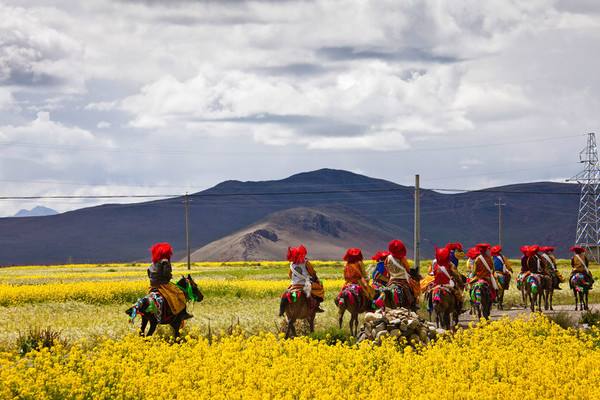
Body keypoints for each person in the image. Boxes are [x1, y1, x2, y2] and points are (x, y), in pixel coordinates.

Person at [147, 242, 192, 320]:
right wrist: (169, 277)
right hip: (163, 284)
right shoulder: (165, 261)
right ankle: (183, 314)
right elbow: (166, 273)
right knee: (179, 293)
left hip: (153, 285)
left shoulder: (153, 262)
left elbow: (148, 272)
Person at [279, 245, 325, 316]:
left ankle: (282, 309)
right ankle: (317, 306)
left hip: (294, 285)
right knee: (319, 288)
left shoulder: (292, 265)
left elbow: (290, 275)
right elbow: (312, 273)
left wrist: (296, 280)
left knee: (286, 293)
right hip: (305, 284)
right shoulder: (306, 263)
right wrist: (316, 279)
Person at [385, 239, 420, 310]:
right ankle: (414, 304)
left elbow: (387, 269)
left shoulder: (387, 258)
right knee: (414, 289)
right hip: (403, 279)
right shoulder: (402, 258)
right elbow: (408, 269)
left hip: (392, 280)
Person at [432, 247, 464, 313]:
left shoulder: (435, 265)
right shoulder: (450, 264)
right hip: (448, 284)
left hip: (437, 285)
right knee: (458, 295)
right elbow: (456, 275)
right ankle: (458, 308)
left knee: (429, 294)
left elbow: (433, 274)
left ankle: (430, 307)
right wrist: (459, 281)